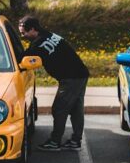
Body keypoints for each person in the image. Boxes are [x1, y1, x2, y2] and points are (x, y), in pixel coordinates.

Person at [19, 15, 89, 151]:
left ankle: (54, 142)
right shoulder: (48, 34)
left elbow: (23, 59)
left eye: (24, 33)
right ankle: (75, 141)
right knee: (75, 109)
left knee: (59, 109)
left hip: (71, 78)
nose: (23, 36)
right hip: (81, 74)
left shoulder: (38, 45)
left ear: (33, 29)